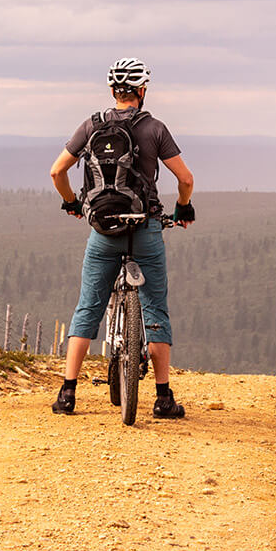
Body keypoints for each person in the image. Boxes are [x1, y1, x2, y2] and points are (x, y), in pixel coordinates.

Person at [48, 58, 195, 418]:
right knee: (156, 308)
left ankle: (68, 393)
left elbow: (57, 171)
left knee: (87, 307)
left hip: (103, 229)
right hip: (144, 227)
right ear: (142, 90)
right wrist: (183, 208)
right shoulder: (155, 128)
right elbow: (186, 180)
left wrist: (72, 203)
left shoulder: (91, 126)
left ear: (113, 91)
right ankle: (162, 398)